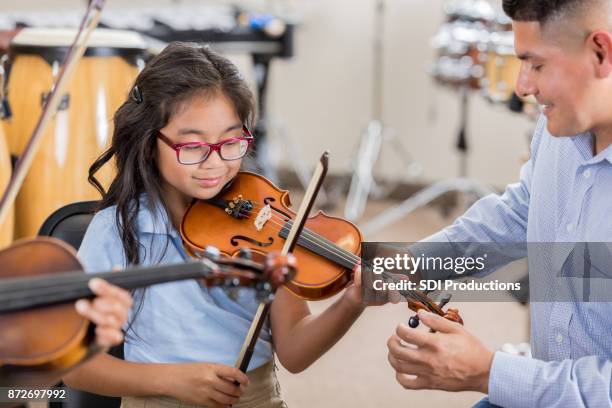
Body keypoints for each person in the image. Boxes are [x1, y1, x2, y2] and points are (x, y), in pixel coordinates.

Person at [62, 42, 366, 408]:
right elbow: (77, 366)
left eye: (231, 142)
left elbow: (295, 352)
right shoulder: (116, 231)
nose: (216, 163)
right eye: (193, 147)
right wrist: (172, 381)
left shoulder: (264, 229)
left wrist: (353, 301)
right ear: (148, 143)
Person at [386, 0, 612, 407]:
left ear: (601, 52)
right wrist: (415, 261)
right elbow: (521, 211)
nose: (522, 87)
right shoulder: (556, 125)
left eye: (536, 65)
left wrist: (487, 372)